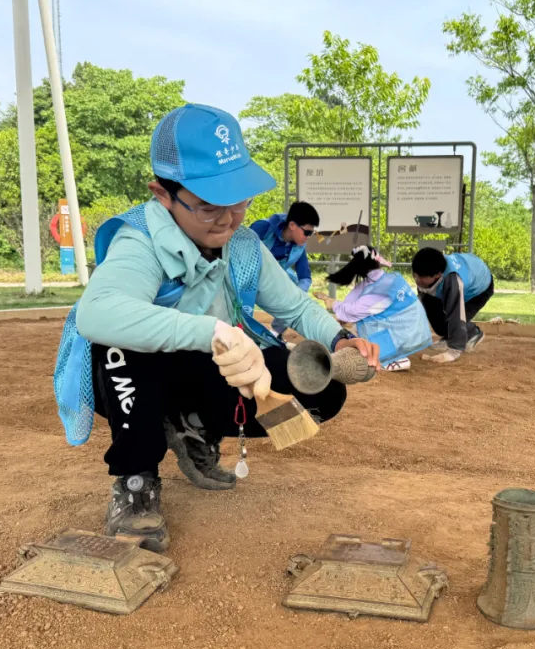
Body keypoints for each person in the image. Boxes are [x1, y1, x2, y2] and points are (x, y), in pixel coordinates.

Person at [53, 104, 379, 553]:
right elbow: (98, 313)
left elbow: (296, 305)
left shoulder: (242, 244)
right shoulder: (140, 240)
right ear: (163, 194)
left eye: (238, 201)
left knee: (324, 391)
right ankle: (135, 479)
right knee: (119, 346)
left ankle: (193, 427)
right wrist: (211, 331)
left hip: (208, 369)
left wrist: (341, 338)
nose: (227, 219)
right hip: (135, 377)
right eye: (208, 206)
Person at [315, 245, 433, 372]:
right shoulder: (380, 278)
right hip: (410, 326)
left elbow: (355, 310)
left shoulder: (381, 288)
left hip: (408, 331)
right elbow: (351, 301)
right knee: (358, 322)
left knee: (364, 322)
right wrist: (340, 313)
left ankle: (392, 358)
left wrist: (334, 304)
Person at [411, 248, 495, 364]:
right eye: (415, 275)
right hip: (465, 272)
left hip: (480, 289)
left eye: (422, 277)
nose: (417, 280)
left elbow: (456, 314)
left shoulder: (453, 280)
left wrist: (453, 352)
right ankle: (449, 337)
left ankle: (473, 333)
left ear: (438, 275)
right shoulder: (427, 272)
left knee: (452, 320)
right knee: (440, 325)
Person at [249, 201, 319, 338]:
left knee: (299, 287)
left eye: (312, 233)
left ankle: (275, 333)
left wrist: (297, 296)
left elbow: (305, 276)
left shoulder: (299, 245)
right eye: (307, 232)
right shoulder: (262, 228)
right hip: (249, 275)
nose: (308, 237)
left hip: (274, 278)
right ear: (292, 225)